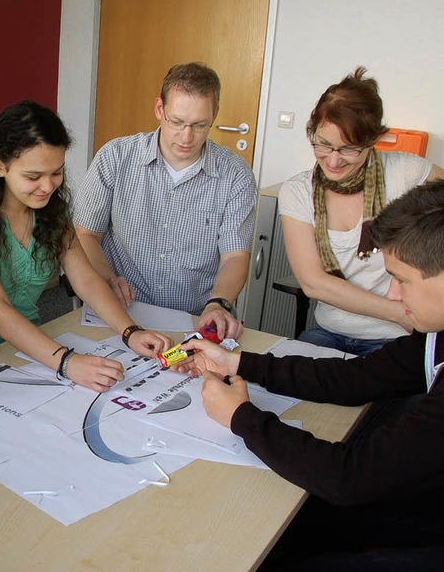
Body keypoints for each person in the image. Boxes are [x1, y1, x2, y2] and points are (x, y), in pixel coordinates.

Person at [177, 180, 444, 570]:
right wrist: (237, 363)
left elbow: (351, 478)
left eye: (402, 280)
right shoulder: (433, 335)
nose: (391, 296)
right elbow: (355, 379)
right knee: (295, 522)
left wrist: (241, 418)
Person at [0, 101, 172, 393]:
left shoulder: (51, 211)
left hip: (34, 352)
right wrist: (69, 362)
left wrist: (130, 332)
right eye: (33, 177)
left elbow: (86, 280)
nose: (47, 186)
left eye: (56, 173)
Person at [74, 62, 256, 341]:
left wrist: (218, 303)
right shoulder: (115, 157)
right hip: (120, 311)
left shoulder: (235, 175)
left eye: (199, 125)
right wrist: (106, 278)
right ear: (159, 109)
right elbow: (86, 234)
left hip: (195, 318)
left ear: (214, 115)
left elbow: (234, 256)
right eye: (177, 122)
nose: (186, 137)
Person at [279, 66, 443, 356]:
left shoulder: (406, 173)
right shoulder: (297, 192)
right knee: (290, 378)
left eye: (348, 149)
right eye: (323, 145)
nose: (333, 160)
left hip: (396, 339)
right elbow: (314, 284)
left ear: (371, 141)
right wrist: (397, 313)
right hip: (331, 332)